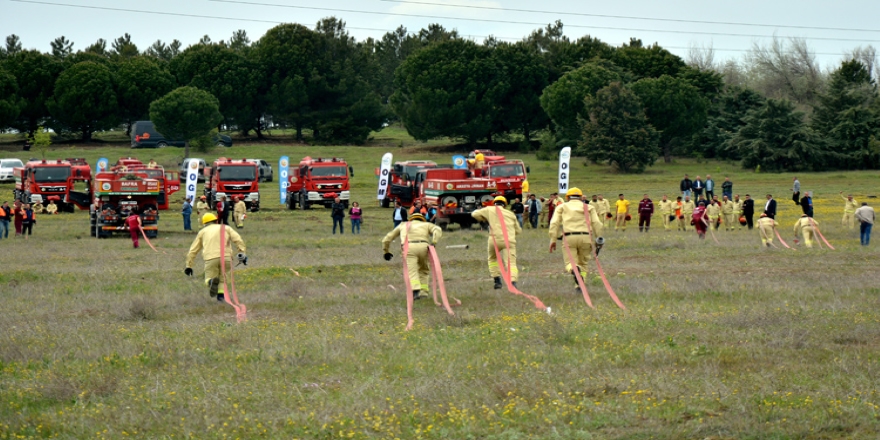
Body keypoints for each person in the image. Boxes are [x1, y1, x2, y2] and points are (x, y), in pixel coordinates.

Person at [548, 188, 604, 291]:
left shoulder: (562, 207)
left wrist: (553, 239)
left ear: (567, 197)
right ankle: (580, 286)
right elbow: (597, 223)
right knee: (583, 263)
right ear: (581, 197)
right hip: (586, 237)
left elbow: (554, 223)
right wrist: (599, 239)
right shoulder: (589, 207)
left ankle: (574, 269)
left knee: (570, 263)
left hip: (569, 237)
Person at [185, 213, 247, 302]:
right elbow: (238, 240)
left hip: (210, 258)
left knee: (208, 277)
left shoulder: (202, 232)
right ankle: (221, 297)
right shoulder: (226, 228)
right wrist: (242, 253)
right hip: (226, 258)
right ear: (216, 220)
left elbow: (193, 250)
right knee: (222, 279)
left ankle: (210, 282)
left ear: (204, 223)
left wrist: (189, 265)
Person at [382, 212, 442, 300]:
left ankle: (415, 288)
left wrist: (386, 251)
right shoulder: (427, 225)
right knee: (424, 270)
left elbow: (387, 239)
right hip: (424, 247)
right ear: (422, 219)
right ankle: (424, 292)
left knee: (412, 270)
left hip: (408, 248)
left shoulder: (403, 225)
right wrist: (434, 242)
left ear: (411, 219)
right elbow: (438, 229)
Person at [472, 196, 522, 289]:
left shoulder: (489, 209)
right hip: (509, 241)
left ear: (494, 203)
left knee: (492, 259)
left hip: (494, 240)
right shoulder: (510, 214)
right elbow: (518, 231)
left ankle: (497, 281)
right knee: (511, 263)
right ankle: (513, 283)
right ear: (505, 205)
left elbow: (474, 214)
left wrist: (483, 219)